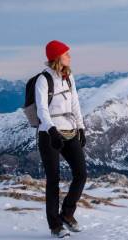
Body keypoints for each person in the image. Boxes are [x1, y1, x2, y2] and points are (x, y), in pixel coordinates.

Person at [36, 40, 87, 238]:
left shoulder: (68, 76)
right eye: (67, 54)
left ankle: (67, 214)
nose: (70, 57)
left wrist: (81, 127)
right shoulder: (44, 80)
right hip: (49, 134)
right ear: (57, 57)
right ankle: (55, 226)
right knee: (53, 180)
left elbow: (75, 102)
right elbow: (42, 109)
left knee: (81, 174)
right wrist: (51, 130)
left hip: (70, 130)